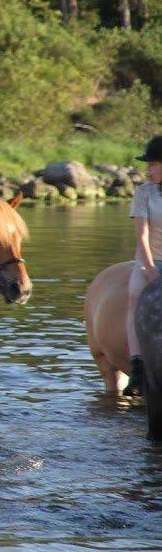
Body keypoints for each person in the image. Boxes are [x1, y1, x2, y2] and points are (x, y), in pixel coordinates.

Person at [124, 135, 162, 396]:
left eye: (153, 164)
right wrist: (149, 269)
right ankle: (137, 366)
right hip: (151, 259)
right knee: (135, 295)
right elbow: (142, 236)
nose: (147, 169)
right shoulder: (143, 192)